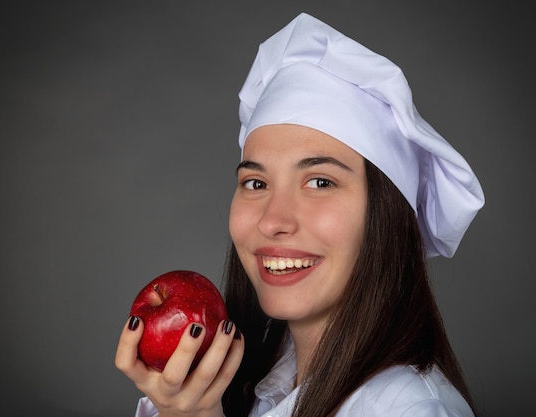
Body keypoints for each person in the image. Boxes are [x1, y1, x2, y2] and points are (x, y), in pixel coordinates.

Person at [115, 12, 485, 417]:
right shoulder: (249, 380)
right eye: (256, 184)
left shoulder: (409, 409)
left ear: (386, 217)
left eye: (320, 182)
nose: (274, 220)